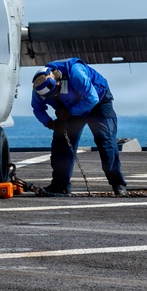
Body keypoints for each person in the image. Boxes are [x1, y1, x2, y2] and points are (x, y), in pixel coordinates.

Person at [31, 59, 128, 196]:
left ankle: (118, 184)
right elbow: (37, 109)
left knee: (105, 140)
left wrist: (70, 113)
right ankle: (60, 185)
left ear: (58, 83)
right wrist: (50, 123)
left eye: (54, 94)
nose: (53, 97)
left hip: (97, 103)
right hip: (70, 107)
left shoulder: (76, 74)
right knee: (61, 143)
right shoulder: (39, 88)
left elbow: (92, 98)